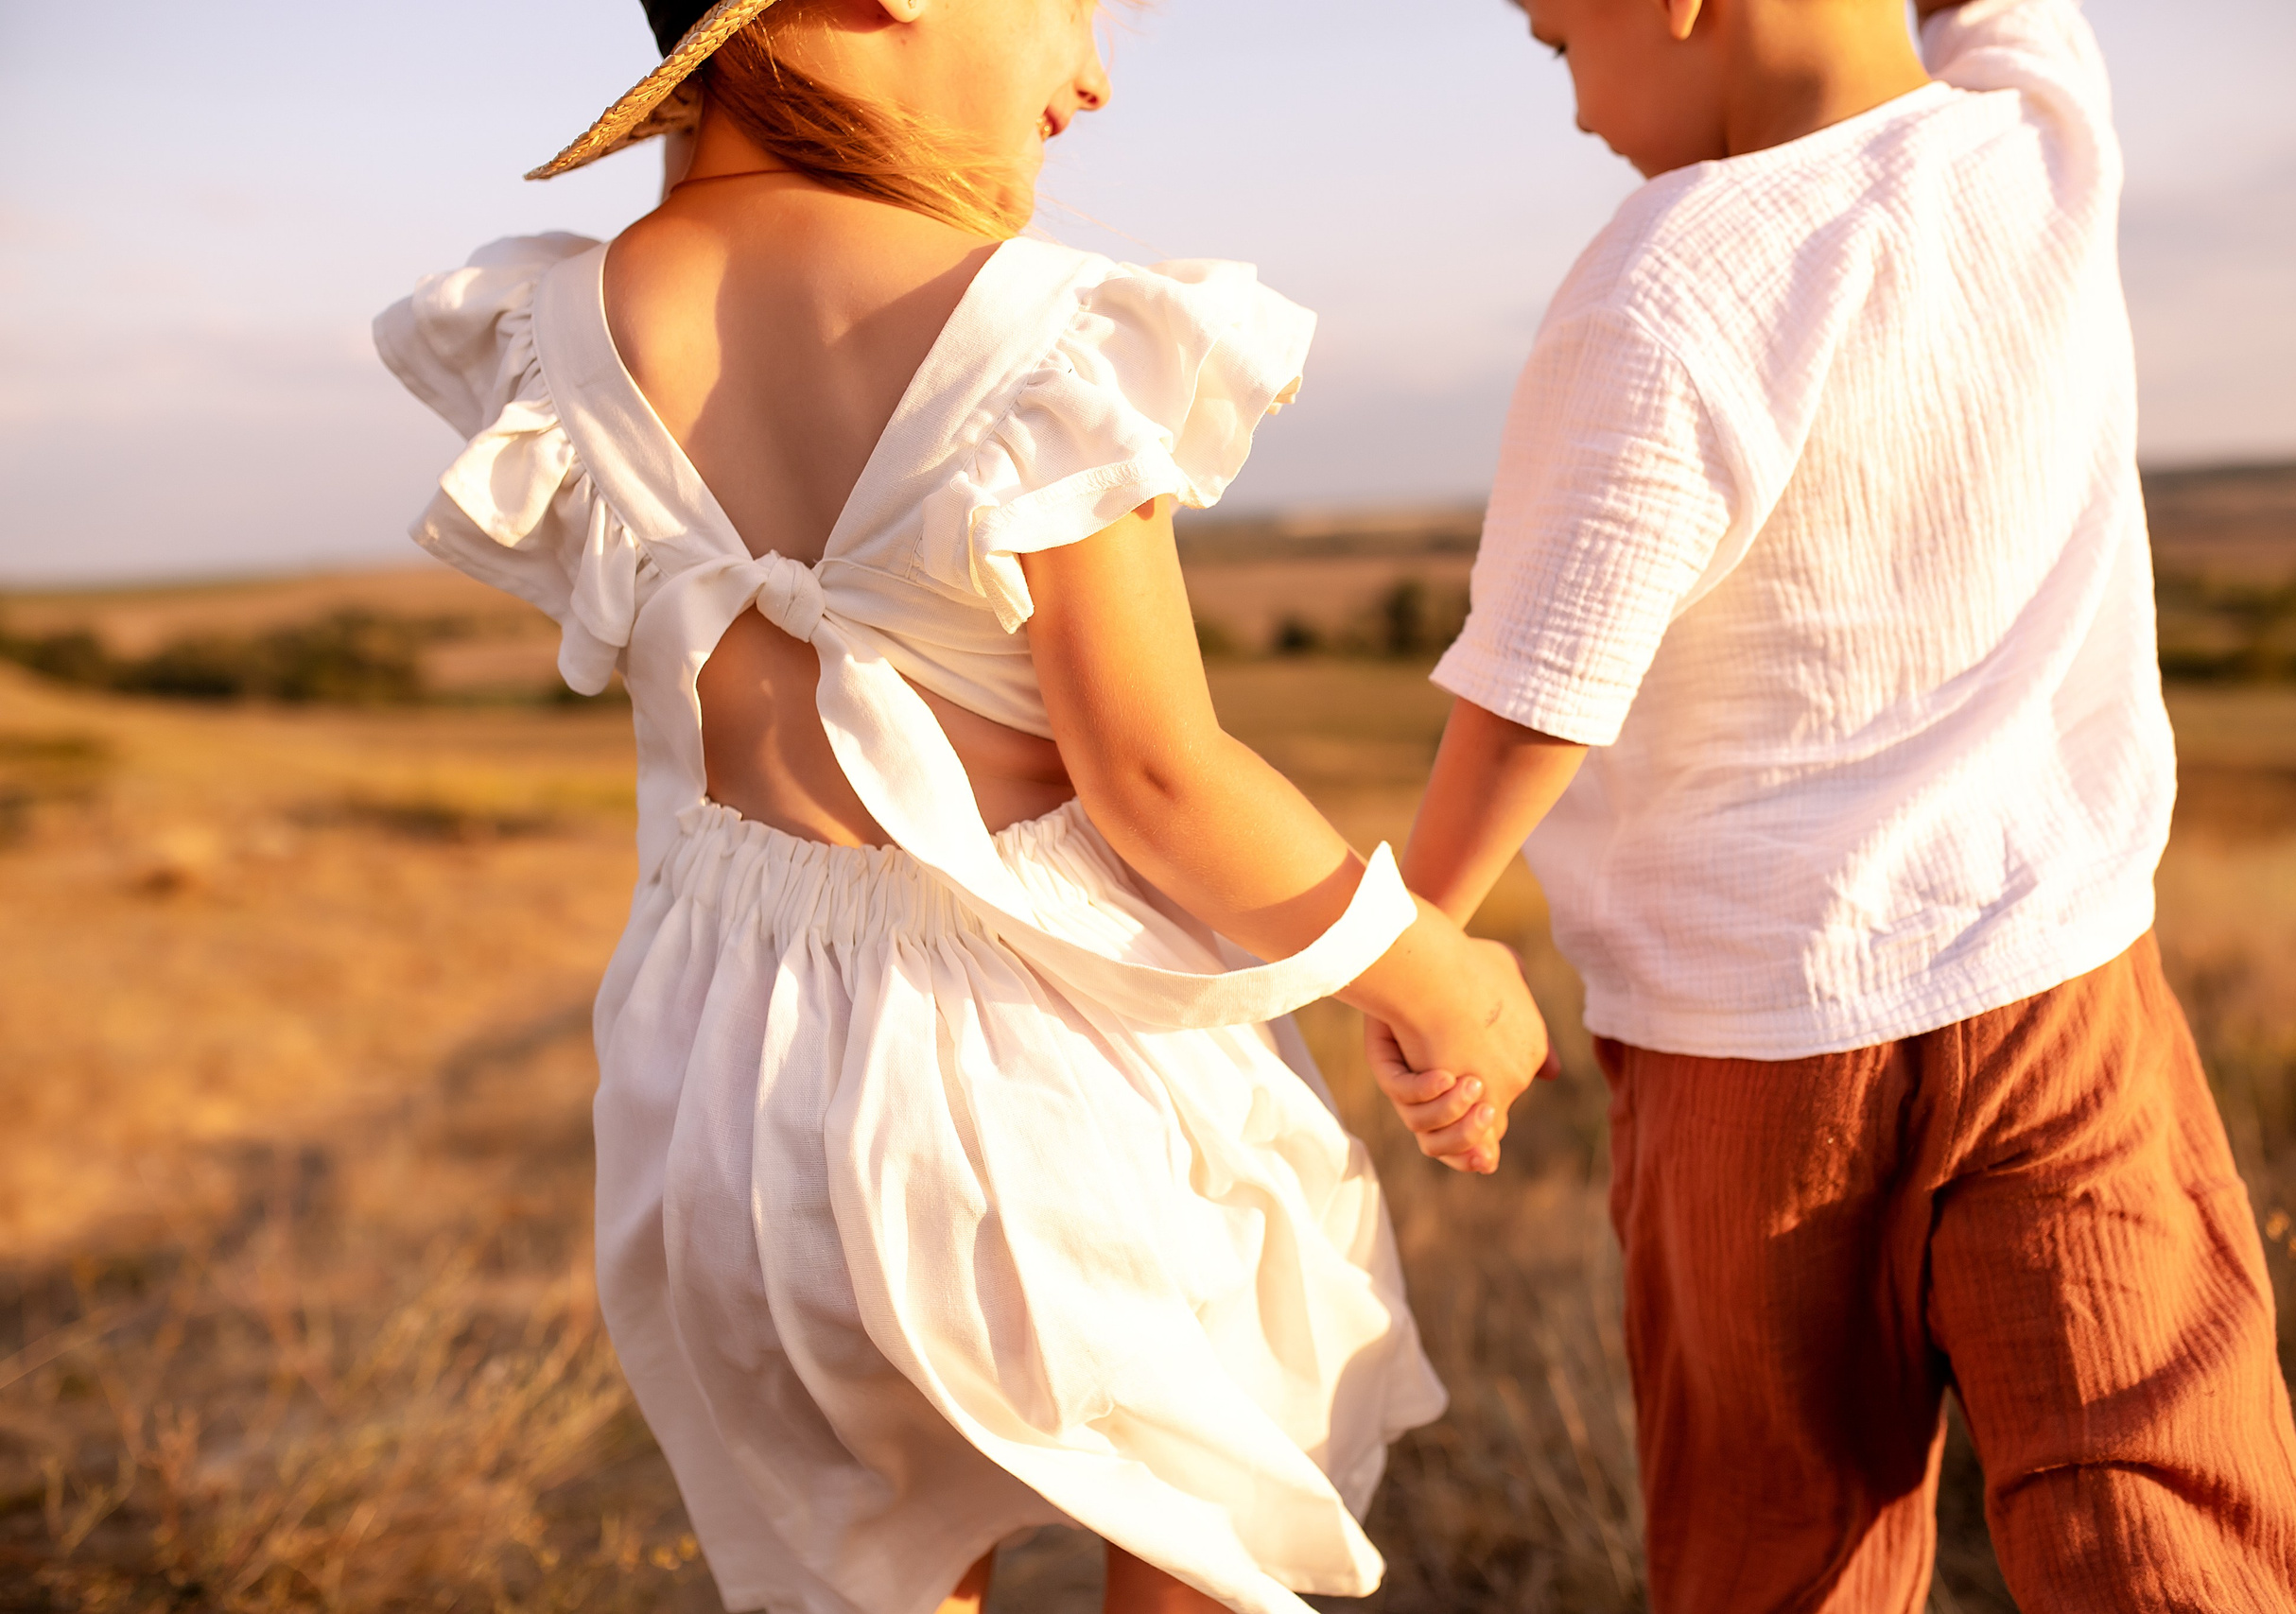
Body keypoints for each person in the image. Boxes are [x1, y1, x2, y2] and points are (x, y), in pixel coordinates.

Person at [374, 2, 1554, 1610]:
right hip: (1036, 1067)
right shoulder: (1036, 331)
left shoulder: (567, 319)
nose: (1093, 77)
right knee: (1203, 1502)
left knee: (864, 1551)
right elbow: (1155, 778)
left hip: (718, 1074)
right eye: (1074, 7)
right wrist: (1432, 967)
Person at [1391, 0, 2296, 1607]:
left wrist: (1420, 940)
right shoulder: (2045, 131)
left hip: (1748, 1053)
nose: (1570, 113)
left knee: (1782, 1532)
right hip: (2057, 982)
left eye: (1561, 45)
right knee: (2162, 1483)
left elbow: (1540, 682)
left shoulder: (1671, 275)